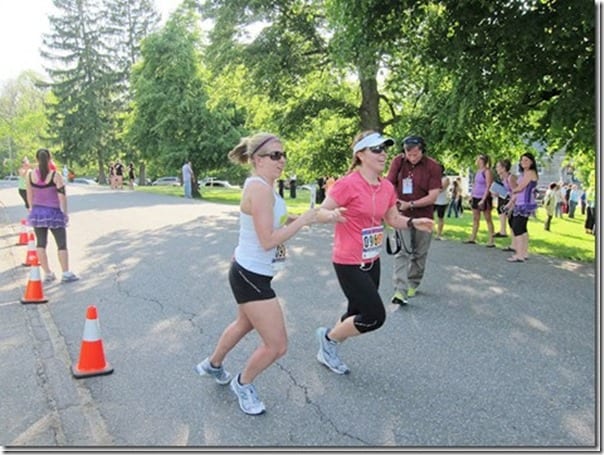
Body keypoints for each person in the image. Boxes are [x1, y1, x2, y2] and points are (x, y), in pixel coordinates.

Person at [194, 133, 343, 415]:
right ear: (256, 160)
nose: (282, 160)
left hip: (248, 271)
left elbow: (279, 220)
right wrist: (304, 221)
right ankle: (243, 382)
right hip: (250, 274)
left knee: (243, 324)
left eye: (283, 154)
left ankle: (212, 365)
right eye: (275, 155)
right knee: (277, 345)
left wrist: (323, 216)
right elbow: (267, 239)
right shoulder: (260, 189)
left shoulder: (265, 186)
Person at [315, 130, 433, 374]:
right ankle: (328, 340)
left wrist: (413, 223)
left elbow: (392, 218)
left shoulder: (387, 187)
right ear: (360, 155)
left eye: (385, 149)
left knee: (355, 312)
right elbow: (320, 212)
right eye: (376, 149)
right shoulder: (347, 184)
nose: (384, 154)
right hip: (348, 260)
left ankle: (329, 345)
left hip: (372, 259)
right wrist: (332, 215)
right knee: (374, 316)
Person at [386, 135, 441, 305]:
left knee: (419, 253)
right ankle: (400, 291)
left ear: (422, 151)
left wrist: (410, 204)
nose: (411, 157)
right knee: (402, 252)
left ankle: (413, 282)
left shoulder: (433, 166)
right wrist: (395, 202)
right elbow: (389, 184)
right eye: (408, 154)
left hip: (424, 215)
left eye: (415, 154)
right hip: (401, 215)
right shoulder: (398, 162)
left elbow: (433, 196)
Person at [26, 148, 79, 283]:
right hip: (54, 212)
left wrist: (32, 209)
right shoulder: (56, 175)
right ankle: (66, 272)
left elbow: (29, 195)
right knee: (61, 244)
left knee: (41, 243)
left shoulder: (30, 175)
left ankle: (48, 273)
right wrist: (65, 213)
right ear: (50, 159)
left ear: (37, 159)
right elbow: (62, 196)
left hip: (38, 213)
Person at [504, 152, 539, 262]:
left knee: (517, 227)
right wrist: (510, 203)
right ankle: (523, 253)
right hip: (520, 202)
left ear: (531, 162)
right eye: (522, 160)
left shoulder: (530, 173)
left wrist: (510, 189)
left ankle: (519, 254)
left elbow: (520, 188)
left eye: (526, 160)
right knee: (522, 228)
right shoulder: (524, 173)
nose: (523, 162)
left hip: (525, 203)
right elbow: (518, 192)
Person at [464, 154, 495, 247]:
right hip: (476, 197)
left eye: (478, 159)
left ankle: (491, 240)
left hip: (484, 198)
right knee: (475, 218)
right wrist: (471, 195)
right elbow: (475, 184)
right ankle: (473, 237)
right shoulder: (478, 171)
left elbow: (489, 185)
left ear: (482, 161)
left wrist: (483, 199)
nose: (476, 161)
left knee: (488, 218)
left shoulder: (487, 171)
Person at [492, 159, 516, 239]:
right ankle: (514, 246)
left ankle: (516, 246)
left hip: (517, 202)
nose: (496, 168)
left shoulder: (510, 178)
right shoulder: (504, 178)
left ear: (504, 168)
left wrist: (510, 205)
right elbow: (508, 191)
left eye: (498, 166)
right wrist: (499, 193)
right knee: (511, 222)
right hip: (511, 201)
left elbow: (517, 192)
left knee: (514, 223)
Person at [433, 164, 449, 240]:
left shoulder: (445, 179)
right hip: (433, 200)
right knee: (429, 216)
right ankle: (429, 231)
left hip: (441, 201)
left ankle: (439, 234)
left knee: (440, 217)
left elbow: (441, 189)